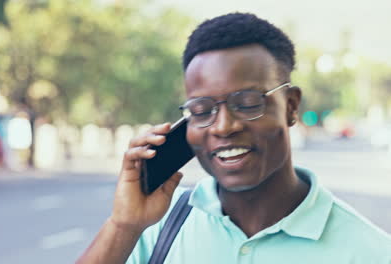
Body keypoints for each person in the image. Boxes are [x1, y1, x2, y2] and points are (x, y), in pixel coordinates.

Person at [76, 13, 391, 263]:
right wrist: (123, 226)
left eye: (248, 103)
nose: (223, 127)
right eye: (202, 109)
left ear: (291, 106)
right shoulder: (155, 231)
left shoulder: (370, 252)